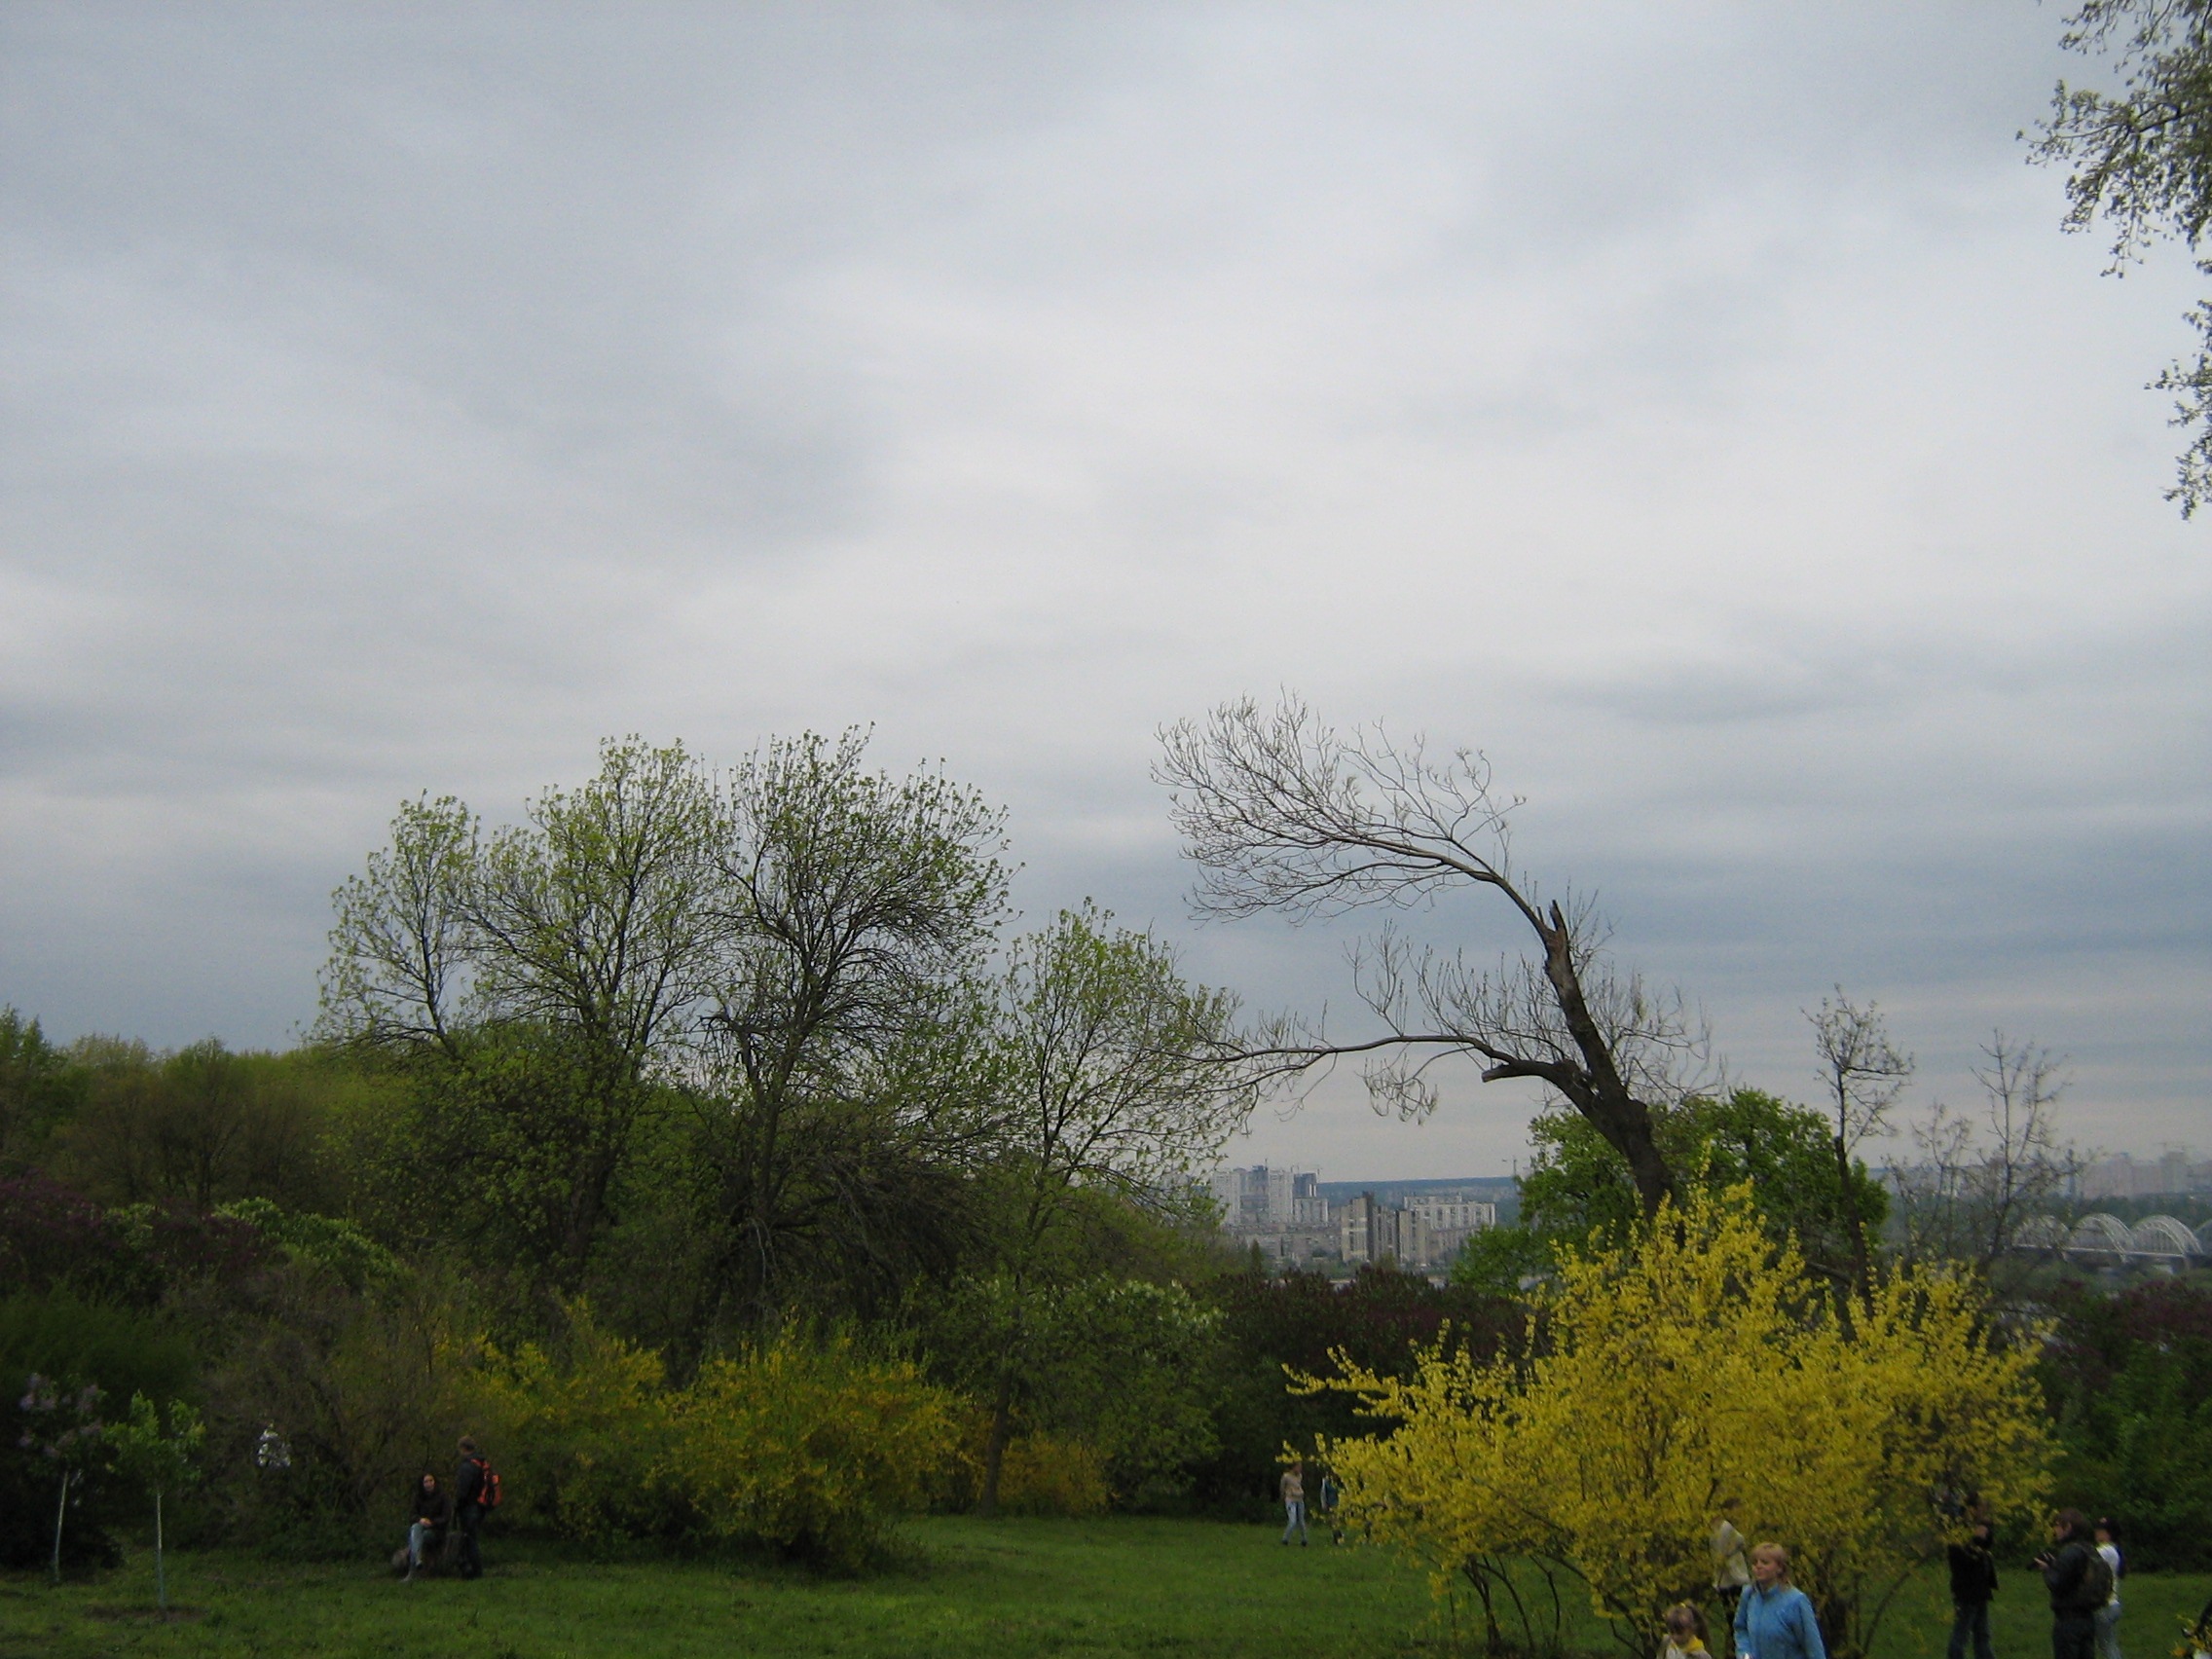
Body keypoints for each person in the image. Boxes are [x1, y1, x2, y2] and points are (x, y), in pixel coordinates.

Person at [1733, 1543, 1827, 1659]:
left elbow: (1813, 1647)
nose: (1758, 1566)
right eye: (1754, 1562)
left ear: (1780, 1568)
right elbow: (1741, 1628)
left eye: (1765, 1562)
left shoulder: (1796, 1601)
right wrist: (1744, 1653)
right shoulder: (1749, 1595)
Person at [2036, 1510, 2104, 1659]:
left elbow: (2056, 1584)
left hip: (2068, 1620)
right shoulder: (2089, 1549)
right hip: (2088, 1617)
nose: (2055, 1530)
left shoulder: (2070, 1552)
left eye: (2057, 1525)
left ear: (2068, 1527)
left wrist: (2047, 1570)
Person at [1947, 1510, 2000, 1659]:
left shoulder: (1978, 1528)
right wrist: (1976, 1539)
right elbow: (1964, 1560)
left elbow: (1987, 1545)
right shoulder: (1958, 1535)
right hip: (1967, 1591)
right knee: (1962, 1633)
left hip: (1980, 1589)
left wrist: (1985, 1533)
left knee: (1982, 1634)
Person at [453, 1436, 489, 1580]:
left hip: (469, 1507)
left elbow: (463, 1490)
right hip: (480, 1506)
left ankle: (473, 1571)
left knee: (468, 1539)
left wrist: (457, 1504)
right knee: (472, 1538)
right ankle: (475, 1570)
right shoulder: (481, 1463)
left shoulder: (467, 1466)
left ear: (463, 1448)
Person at [403, 1472, 450, 1582]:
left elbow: (446, 1517)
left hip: (436, 1531)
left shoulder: (443, 1497)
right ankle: (417, 1561)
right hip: (420, 1528)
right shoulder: (418, 1497)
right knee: (415, 1528)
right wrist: (420, 1520)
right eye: (426, 1482)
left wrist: (432, 1522)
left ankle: (413, 1568)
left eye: (430, 1481)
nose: (428, 1484)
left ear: (435, 1482)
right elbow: (412, 1515)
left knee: (416, 1538)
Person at [2092, 1519, 2123, 1659]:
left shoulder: (2106, 1550)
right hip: (2112, 1604)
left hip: (2105, 1606)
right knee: (2108, 1644)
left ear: (2109, 1534)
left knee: (2107, 1646)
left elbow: (2084, 1560)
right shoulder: (2113, 1550)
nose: (2096, 1532)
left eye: (2101, 1530)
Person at [1279, 1458, 1308, 1546]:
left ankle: (1304, 1539)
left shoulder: (1300, 1476)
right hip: (1290, 1500)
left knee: (1301, 1521)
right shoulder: (1286, 1476)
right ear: (1293, 1467)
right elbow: (1282, 1488)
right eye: (1298, 1467)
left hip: (1299, 1499)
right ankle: (1285, 1539)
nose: (1300, 1469)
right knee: (1292, 1521)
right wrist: (1284, 1497)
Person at [1317, 1467, 1342, 1545]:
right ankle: (1336, 1536)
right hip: (1331, 1503)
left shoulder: (1340, 1481)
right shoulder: (1326, 1482)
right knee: (1334, 1520)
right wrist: (1324, 1504)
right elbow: (1323, 1493)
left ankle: (1337, 1535)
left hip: (1340, 1503)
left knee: (1336, 1521)